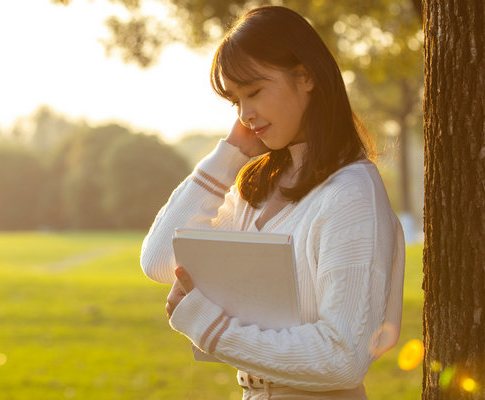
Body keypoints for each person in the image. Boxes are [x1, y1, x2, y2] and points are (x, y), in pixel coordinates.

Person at [140, 5, 405, 399]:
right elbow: (160, 260)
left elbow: (344, 356)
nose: (245, 114)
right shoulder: (258, 190)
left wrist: (212, 329)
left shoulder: (351, 194)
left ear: (306, 76)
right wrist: (230, 153)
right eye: (235, 102)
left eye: (254, 92)